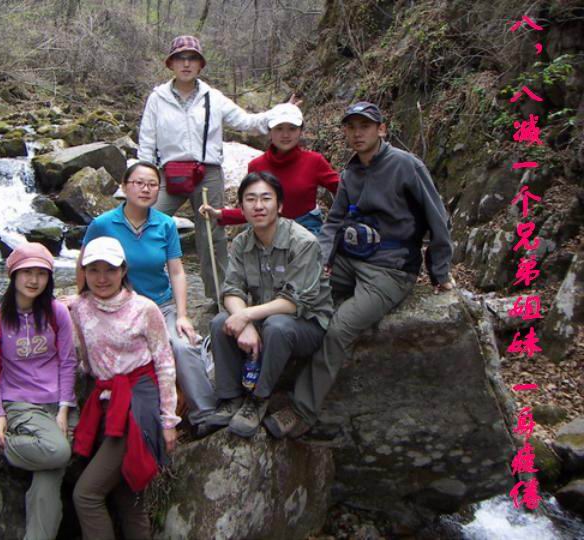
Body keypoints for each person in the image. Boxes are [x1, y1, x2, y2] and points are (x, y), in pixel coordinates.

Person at [263, 101, 455, 439]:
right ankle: (262, 381)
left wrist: (439, 271)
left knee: (339, 328)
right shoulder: (351, 172)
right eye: (351, 127)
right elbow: (334, 221)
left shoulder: (406, 165)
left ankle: (302, 410)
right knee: (297, 293)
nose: (357, 133)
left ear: (381, 129)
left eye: (364, 126)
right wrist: (321, 260)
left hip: (391, 268)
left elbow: (437, 218)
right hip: (349, 260)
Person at [138, 35, 294, 303]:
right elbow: (147, 139)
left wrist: (282, 112)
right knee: (144, 222)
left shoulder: (213, 97)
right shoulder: (157, 98)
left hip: (207, 173)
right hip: (168, 173)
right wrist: (143, 176)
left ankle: (222, 297)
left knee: (211, 234)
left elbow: (247, 122)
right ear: (171, 64)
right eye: (180, 58)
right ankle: (143, 290)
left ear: (200, 65)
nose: (186, 64)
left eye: (192, 58)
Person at [80, 161, 216, 437]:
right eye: (139, 183)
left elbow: (176, 271)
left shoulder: (165, 224)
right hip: (116, 306)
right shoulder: (102, 224)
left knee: (182, 345)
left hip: (160, 305)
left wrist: (182, 315)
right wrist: (82, 298)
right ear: (124, 187)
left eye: (152, 184)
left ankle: (205, 413)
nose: (146, 189)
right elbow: (84, 262)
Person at [204, 171, 333, 438]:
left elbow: (294, 302)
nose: (258, 206)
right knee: (220, 322)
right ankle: (231, 397)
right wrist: (245, 322)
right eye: (250, 199)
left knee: (276, 326)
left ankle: (259, 399)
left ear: (280, 205)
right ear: (242, 208)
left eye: (266, 198)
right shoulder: (242, 242)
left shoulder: (303, 242)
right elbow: (231, 290)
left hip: (305, 323)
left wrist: (247, 316)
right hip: (266, 315)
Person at [70, 236, 179, 540]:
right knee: (127, 496)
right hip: (104, 400)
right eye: (93, 270)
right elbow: (81, 359)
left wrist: (168, 420)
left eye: (110, 269)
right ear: (83, 272)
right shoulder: (79, 308)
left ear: (123, 271)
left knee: (87, 495)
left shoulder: (144, 309)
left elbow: (164, 362)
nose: (102, 278)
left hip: (137, 402)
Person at [0, 242, 77, 540]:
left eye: (41, 273)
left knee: (48, 476)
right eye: (27, 272)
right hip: (20, 404)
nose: (34, 280)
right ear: (13, 275)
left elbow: (68, 362)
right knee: (58, 452)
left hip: (57, 404)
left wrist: (64, 409)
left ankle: (36, 536)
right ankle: (2, 447)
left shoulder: (57, 313)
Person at [199, 103, 339, 235]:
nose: (285, 135)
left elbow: (343, 190)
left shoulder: (314, 161)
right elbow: (252, 210)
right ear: (269, 131)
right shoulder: (257, 166)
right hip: (266, 232)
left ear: (300, 131)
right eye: (279, 128)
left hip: (306, 230)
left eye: (292, 128)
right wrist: (219, 214)